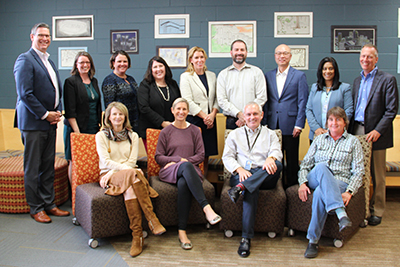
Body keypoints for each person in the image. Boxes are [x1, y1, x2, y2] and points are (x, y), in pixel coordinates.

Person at [13, 22, 69, 223]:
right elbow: (25, 94)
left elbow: (56, 90)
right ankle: (36, 208)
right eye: (41, 35)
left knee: (48, 165)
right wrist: (46, 114)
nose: (45, 39)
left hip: (50, 122)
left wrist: (57, 110)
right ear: (32, 36)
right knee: (33, 167)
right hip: (34, 123)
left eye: (47, 36)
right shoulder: (25, 60)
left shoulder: (48, 61)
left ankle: (49, 204)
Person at [96, 102, 166, 257]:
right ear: (108, 117)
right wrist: (116, 171)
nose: (117, 117)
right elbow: (105, 161)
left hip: (126, 174)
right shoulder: (101, 135)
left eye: (120, 114)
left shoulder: (133, 136)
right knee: (134, 174)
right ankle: (152, 219)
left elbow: (132, 161)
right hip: (109, 175)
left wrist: (124, 170)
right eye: (114, 114)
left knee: (131, 185)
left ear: (125, 116)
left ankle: (137, 236)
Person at [155, 98, 221, 250]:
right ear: (172, 110)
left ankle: (182, 231)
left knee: (184, 182)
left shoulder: (194, 131)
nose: (181, 112)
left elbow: (200, 154)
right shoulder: (166, 131)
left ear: (188, 111)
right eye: (178, 109)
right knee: (184, 166)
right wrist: (179, 160)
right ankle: (207, 208)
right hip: (170, 170)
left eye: (184, 109)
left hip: (190, 170)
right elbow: (158, 157)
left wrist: (185, 162)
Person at [298, 107, 364, 258]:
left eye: (338, 119)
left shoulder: (353, 142)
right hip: (316, 177)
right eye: (331, 119)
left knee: (322, 192)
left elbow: (358, 171)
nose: (334, 123)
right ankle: (340, 212)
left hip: (339, 182)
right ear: (327, 122)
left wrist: (349, 191)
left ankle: (313, 241)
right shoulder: (319, 139)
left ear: (344, 123)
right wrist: (302, 182)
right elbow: (306, 165)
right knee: (321, 166)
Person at [222, 102, 283, 258]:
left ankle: (241, 188)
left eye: (255, 114)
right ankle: (246, 238)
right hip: (241, 175)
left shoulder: (270, 134)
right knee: (251, 188)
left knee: (277, 164)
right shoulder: (235, 134)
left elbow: (277, 152)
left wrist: (271, 157)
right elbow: (227, 157)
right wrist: (240, 169)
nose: (252, 117)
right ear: (244, 116)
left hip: (264, 174)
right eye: (248, 114)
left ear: (261, 115)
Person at [349, 44, 399, 226]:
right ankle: (361, 210)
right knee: (360, 172)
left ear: (376, 59)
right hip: (357, 131)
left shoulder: (387, 79)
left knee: (378, 175)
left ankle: (377, 210)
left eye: (369, 57)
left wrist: (378, 130)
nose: (365, 60)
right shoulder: (357, 81)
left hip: (377, 133)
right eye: (363, 56)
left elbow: (391, 110)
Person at [263, 44, 309, 188]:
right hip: (272, 124)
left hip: (291, 125)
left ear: (290, 56)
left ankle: (292, 190)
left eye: (285, 53)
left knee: (292, 161)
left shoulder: (299, 75)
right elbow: (266, 101)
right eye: (278, 53)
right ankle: (277, 190)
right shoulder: (268, 75)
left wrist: (299, 124)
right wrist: (264, 123)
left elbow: (303, 101)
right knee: (275, 160)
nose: (282, 56)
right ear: (275, 56)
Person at [180, 46, 219, 174]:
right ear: (191, 59)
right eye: (196, 57)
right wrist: (205, 117)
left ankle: (204, 180)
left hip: (210, 120)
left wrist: (212, 115)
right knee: (194, 152)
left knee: (207, 152)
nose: (199, 60)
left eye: (202, 57)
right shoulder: (186, 77)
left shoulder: (212, 75)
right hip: (195, 120)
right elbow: (187, 100)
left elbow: (216, 98)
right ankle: (193, 178)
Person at [63, 51, 101, 183]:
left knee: (90, 158)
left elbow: (96, 105)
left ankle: (88, 189)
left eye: (87, 62)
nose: (85, 65)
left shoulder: (94, 81)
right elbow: (70, 111)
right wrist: (77, 132)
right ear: (76, 65)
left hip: (92, 127)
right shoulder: (70, 82)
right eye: (81, 62)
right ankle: (74, 192)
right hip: (76, 128)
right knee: (75, 159)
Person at [217, 39, 267, 129]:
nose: (239, 52)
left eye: (242, 50)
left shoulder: (257, 72)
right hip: (232, 121)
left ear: (246, 52)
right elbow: (221, 100)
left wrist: (248, 115)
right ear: (231, 52)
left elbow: (262, 97)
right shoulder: (223, 75)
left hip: (253, 120)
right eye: (236, 50)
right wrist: (238, 114)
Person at [306, 57, 353, 142]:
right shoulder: (315, 88)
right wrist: (317, 129)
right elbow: (309, 109)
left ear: (335, 71)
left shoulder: (344, 88)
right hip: (317, 134)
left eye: (330, 68)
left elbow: (348, 110)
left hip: (337, 135)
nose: (327, 71)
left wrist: (333, 128)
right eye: (324, 69)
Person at [138, 56, 181, 149]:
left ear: (165, 67)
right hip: (151, 130)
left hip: (172, 129)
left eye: (160, 66)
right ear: (151, 70)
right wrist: (162, 123)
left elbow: (179, 103)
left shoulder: (172, 84)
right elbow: (143, 108)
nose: (158, 69)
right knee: (156, 161)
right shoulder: (145, 85)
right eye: (155, 67)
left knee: (172, 158)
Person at [102, 50, 139, 132]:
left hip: (133, 122)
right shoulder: (109, 80)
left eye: (125, 61)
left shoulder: (131, 79)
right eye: (119, 61)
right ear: (113, 63)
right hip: (119, 124)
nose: (122, 64)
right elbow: (110, 106)